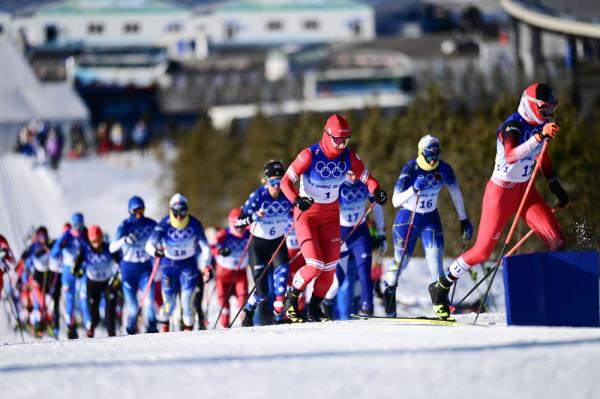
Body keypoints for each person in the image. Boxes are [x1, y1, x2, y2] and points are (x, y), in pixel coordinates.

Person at [429, 83, 569, 319]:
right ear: (531, 105)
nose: (548, 115)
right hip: (501, 192)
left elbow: (542, 157)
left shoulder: (541, 126)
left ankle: (557, 297)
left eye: (551, 111)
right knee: (482, 252)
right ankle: (441, 285)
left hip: (525, 190)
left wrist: (555, 185)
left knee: (556, 240)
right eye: (545, 110)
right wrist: (538, 136)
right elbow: (512, 155)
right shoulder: (513, 125)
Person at [280, 114, 387, 322]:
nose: (341, 145)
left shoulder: (348, 157)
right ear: (326, 135)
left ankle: (314, 307)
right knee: (315, 265)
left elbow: (368, 179)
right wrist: (296, 200)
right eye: (337, 140)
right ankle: (291, 297)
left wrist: (377, 191)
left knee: (329, 270)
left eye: (345, 140)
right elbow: (285, 182)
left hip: (330, 217)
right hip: (306, 216)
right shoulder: (309, 155)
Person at [382, 134, 472, 317]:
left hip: (431, 219)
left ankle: (440, 306)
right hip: (407, 220)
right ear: (421, 153)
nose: (432, 162)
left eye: (436, 157)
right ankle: (389, 288)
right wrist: (413, 189)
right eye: (429, 157)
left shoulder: (444, 169)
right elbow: (394, 201)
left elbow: (456, 193)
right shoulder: (410, 169)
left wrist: (463, 219)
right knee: (402, 262)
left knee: (435, 265)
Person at [323, 170, 387, 318]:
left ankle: (367, 308)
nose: (353, 178)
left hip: (360, 234)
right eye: (349, 174)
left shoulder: (364, 183)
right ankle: (326, 305)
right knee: (338, 278)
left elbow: (377, 206)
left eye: (355, 174)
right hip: (341, 235)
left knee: (365, 271)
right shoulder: (337, 186)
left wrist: (381, 233)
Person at [236, 160, 293, 326]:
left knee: (281, 286)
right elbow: (238, 224)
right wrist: (253, 217)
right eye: (272, 182)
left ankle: (278, 317)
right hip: (258, 246)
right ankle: (249, 310)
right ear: (265, 181)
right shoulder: (258, 196)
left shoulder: (288, 194)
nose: (276, 186)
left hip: (278, 243)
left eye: (280, 181)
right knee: (262, 291)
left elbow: (299, 209)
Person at [145, 193, 212, 332]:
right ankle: (164, 330)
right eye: (175, 213)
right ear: (171, 210)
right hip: (169, 266)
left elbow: (206, 247)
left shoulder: (194, 223)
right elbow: (148, 245)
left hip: (189, 266)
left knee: (187, 303)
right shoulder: (164, 224)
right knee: (169, 304)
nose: (179, 217)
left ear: (186, 210)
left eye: (182, 212)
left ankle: (188, 334)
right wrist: (155, 252)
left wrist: (206, 264)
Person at [110, 196, 158, 334]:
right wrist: (124, 240)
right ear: (130, 211)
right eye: (136, 210)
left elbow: (161, 238)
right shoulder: (125, 225)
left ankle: (152, 326)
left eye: (142, 210)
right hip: (129, 270)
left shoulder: (151, 224)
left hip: (145, 269)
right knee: (133, 307)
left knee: (149, 302)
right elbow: (112, 248)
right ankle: (131, 328)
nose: (139, 214)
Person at [73, 225, 119, 337]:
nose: (96, 243)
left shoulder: (109, 248)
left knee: (110, 311)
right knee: (95, 317)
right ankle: (90, 329)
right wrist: (78, 272)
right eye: (93, 241)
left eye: (98, 239)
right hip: (93, 284)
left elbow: (120, 262)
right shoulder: (85, 250)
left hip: (107, 283)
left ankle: (112, 334)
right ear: (89, 239)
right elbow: (75, 268)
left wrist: (118, 278)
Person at [51, 213, 88, 339]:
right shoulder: (66, 235)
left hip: (81, 270)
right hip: (68, 270)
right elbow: (54, 253)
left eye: (80, 225)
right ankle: (70, 325)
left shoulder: (85, 234)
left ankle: (88, 325)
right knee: (70, 298)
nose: (78, 228)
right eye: (75, 226)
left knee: (84, 295)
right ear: (72, 226)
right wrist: (60, 244)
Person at [214, 208, 250, 328]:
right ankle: (224, 328)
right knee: (224, 306)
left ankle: (245, 325)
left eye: (242, 226)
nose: (240, 229)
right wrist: (219, 250)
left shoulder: (249, 232)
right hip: (223, 275)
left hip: (240, 274)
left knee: (243, 300)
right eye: (237, 226)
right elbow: (211, 246)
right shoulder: (225, 233)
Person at [23, 227, 56, 336]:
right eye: (40, 236)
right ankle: (37, 324)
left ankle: (49, 324)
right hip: (36, 277)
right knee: (38, 302)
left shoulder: (50, 244)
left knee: (48, 301)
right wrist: (25, 279)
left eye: (44, 236)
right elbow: (28, 261)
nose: (43, 239)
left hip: (47, 275)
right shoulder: (34, 246)